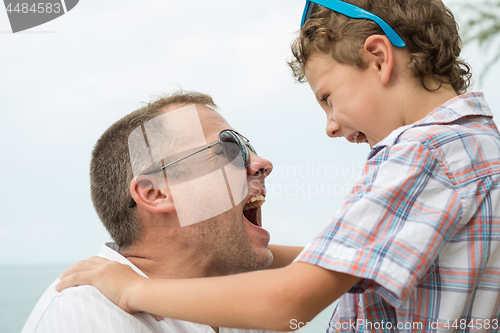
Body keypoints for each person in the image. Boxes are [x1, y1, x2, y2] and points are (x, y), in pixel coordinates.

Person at [56, 0, 500, 332]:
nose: (330, 126)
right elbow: (341, 266)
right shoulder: (477, 147)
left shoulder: (420, 155)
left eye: (327, 97)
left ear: (379, 58)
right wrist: (243, 255)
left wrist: (132, 289)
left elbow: (290, 303)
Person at [22, 90, 303, 333]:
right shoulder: (87, 315)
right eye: (229, 147)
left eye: (249, 147)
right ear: (155, 194)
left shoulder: (242, 298)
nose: (262, 163)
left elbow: (338, 262)